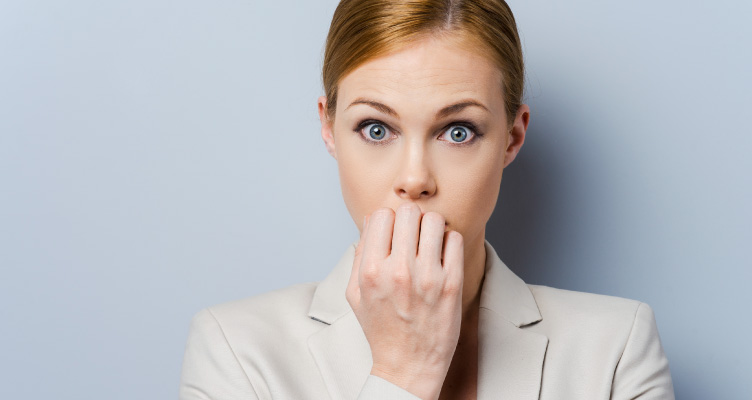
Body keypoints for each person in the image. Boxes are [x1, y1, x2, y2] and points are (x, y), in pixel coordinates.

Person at [179, 0, 675, 399]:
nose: (414, 179)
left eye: (457, 131)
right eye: (376, 129)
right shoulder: (236, 350)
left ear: (511, 137)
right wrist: (402, 374)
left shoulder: (615, 348)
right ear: (329, 128)